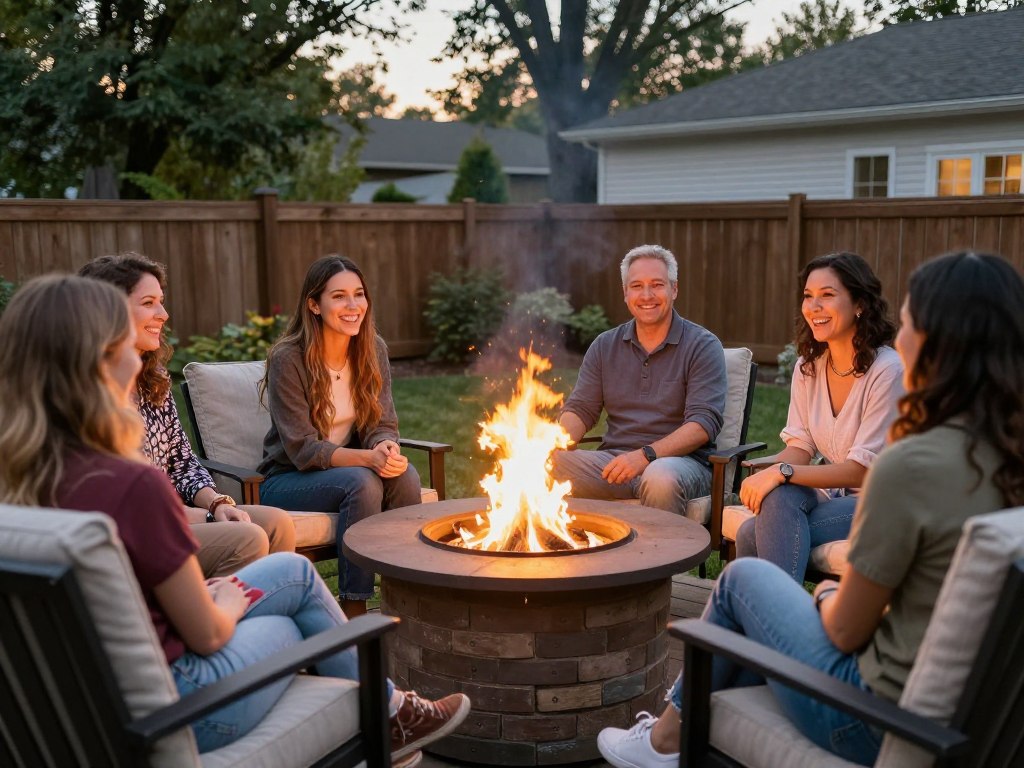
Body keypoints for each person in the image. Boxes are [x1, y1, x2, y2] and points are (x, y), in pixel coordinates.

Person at [0, 274, 470, 766]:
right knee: (293, 627)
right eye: (123, 341)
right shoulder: (132, 486)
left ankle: (395, 711)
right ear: (100, 360)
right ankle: (390, 712)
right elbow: (205, 635)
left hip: (83, 704)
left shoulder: (25, 482)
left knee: (291, 571)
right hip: (184, 711)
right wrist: (221, 600)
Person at [596, 250, 1024, 768]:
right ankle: (676, 730)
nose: (901, 337)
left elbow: (845, 631)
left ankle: (665, 741)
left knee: (743, 579)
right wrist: (774, 471)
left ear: (937, 341)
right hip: (957, 720)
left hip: (863, 718)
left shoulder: (912, 465)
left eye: (909, 322)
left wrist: (825, 595)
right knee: (762, 528)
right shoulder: (1002, 456)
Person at [79, 254, 296, 578]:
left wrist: (216, 503)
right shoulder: (83, 393)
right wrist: (204, 517)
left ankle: (267, 612)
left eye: (162, 302)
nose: (163, 314)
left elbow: (181, 461)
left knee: (277, 523)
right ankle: (218, 619)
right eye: (149, 303)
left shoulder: (154, 380)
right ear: (108, 310)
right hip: (136, 531)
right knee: (246, 537)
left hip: (177, 514)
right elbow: (122, 501)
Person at [258, 255, 421, 618]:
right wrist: (368, 459)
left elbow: (382, 421)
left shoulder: (371, 348)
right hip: (286, 479)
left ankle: (411, 594)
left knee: (406, 477)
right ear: (314, 305)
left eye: (359, 294)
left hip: (344, 469)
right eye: (339, 297)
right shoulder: (289, 359)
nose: (353, 306)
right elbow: (302, 449)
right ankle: (354, 608)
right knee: (362, 483)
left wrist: (385, 446)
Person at [735, 252, 903, 582]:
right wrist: (762, 473)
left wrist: (780, 473)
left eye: (827, 295)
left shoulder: (887, 371)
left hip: (888, 500)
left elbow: (859, 472)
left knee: (755, 532)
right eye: (808, 296)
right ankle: (769, 623)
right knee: (772, 507)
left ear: (860, 304)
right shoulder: (808, 367)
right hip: (838, 496)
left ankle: (775, 624)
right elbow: (800, 448)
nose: (814, 307)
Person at [551, 244, 727, 516]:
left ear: (674, 289)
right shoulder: (604, 346)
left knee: (659, 477)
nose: (647, 295)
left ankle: (661, 558)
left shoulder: (702, 345)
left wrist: (645, 456)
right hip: (613, 463)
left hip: (679, 464)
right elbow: (581, 409)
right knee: (538, 464)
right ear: (625, 293)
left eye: (657, 285)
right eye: (636, 286)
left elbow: (703, 424)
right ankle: (567, 556)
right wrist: (550, 444)